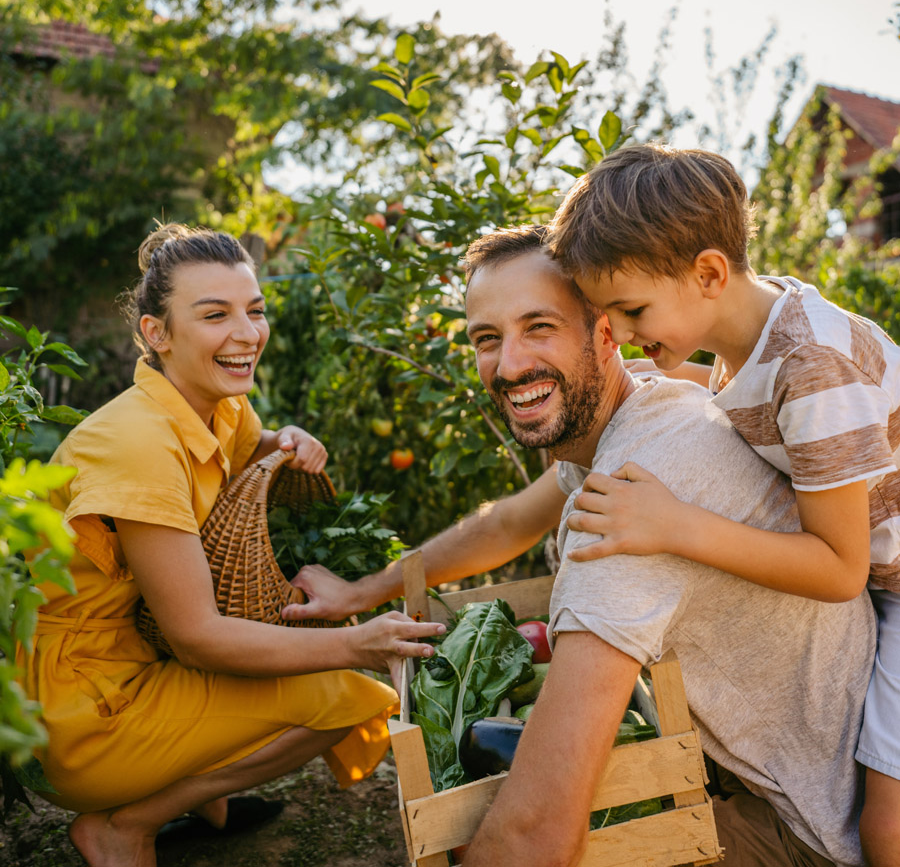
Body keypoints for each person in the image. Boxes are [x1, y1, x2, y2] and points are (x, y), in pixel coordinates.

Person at [289, 225, 876, 867]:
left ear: (607, 334)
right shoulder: (642, 407)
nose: (509, 365)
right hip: (774, 776)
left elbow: (538, 836)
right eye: (488, 338)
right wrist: (364, 591)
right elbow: (505, 523)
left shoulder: (627, 500)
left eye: (539, 327)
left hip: (807, 832)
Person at [16, 223, 445, 867]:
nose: (247, 334)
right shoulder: (137, 444)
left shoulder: (216, 404)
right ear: (157, 334)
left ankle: (197, 795)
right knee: (348, 695)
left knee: (318, 676)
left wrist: (283, 439)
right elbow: (197, 636)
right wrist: (357, 643)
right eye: (216, 314)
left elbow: (243, 445)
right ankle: (128, 822)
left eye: (255, 310)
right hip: (83, 711)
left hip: (141, 656)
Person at [545, 144, 900, 867]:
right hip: (884, 577)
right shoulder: (745, 341)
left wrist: (675, 525)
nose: (621, 331)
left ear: (708, 272)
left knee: (886, 831)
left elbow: (838, 567)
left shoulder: (810, 366)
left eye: (631, 309)